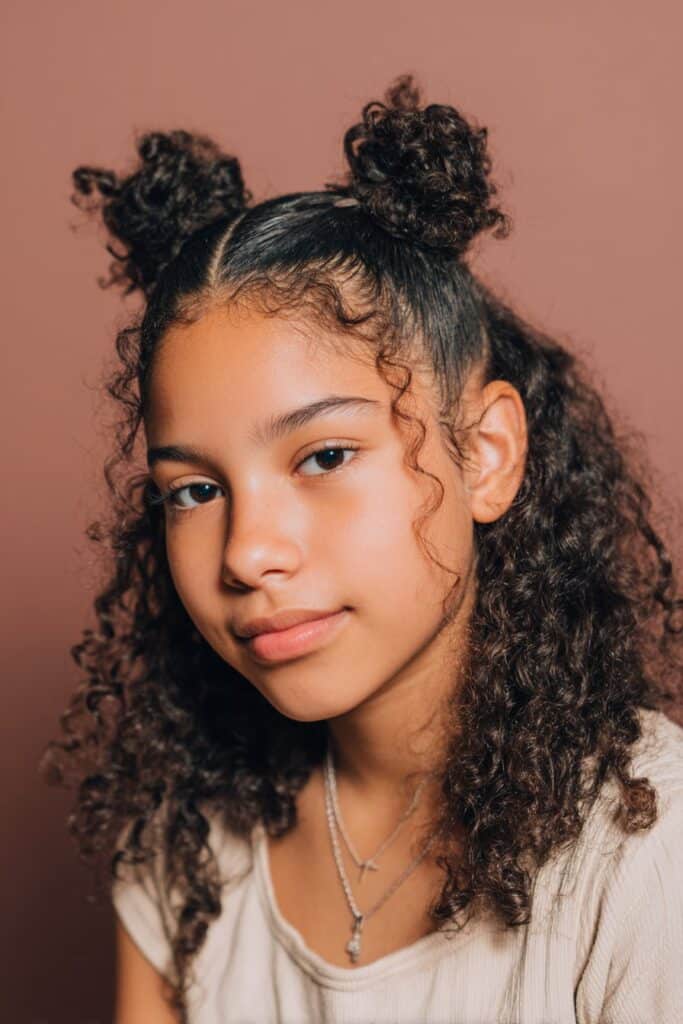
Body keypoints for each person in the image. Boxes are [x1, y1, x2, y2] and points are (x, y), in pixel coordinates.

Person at [41, 75, 683, 1024]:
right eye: (196, 490)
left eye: (325, 455)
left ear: (487, 454)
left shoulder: (644, 855)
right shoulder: (186, 857)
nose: (248, 553)